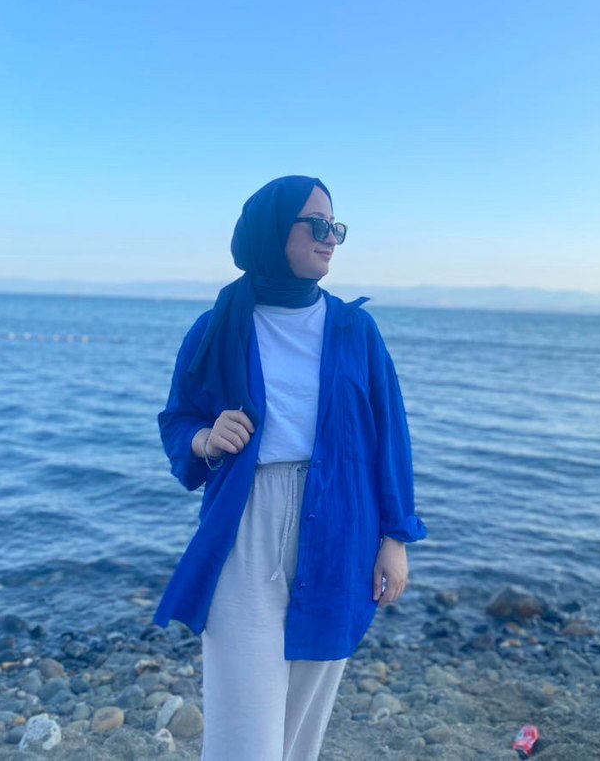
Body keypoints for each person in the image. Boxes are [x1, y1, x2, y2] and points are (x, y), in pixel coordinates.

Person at [155, 175, 426, 761]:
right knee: (243, 730)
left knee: (301, 731)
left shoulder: (355, 330)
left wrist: (396, 537)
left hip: (343, 524)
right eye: (318, 224)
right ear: (272, 230)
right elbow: (177, 419)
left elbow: (391, 436)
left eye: (337, 227)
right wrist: (205, 438)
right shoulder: (217, 328)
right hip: (247, 523)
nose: (331, 237)